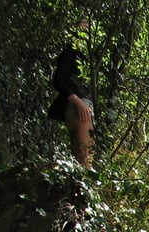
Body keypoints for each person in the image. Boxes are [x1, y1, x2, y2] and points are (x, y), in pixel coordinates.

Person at [48, 20, 94, 168]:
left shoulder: (87, 56)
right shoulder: (70, 53)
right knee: (84, 157)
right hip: (78, 108)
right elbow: (58, 80)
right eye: (83, 27)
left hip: (84, 106)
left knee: (82, 157)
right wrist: (77, 101)